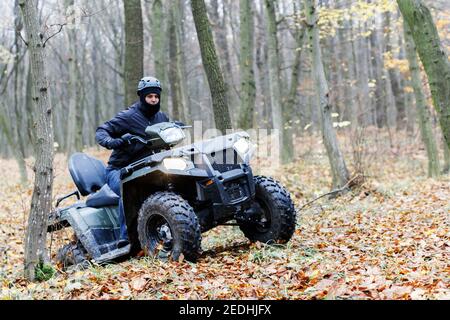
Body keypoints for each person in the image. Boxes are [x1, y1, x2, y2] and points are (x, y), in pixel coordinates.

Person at [95, 76, 169, 248]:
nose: (153, 100)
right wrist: (116, 142)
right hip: (120, 170)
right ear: (142, 97)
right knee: (127, 188)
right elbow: (102, 131)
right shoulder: (128, 116)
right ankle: (126, 237)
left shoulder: (162, 117)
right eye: (149, 96)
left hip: (149, 167)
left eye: (156, 96)